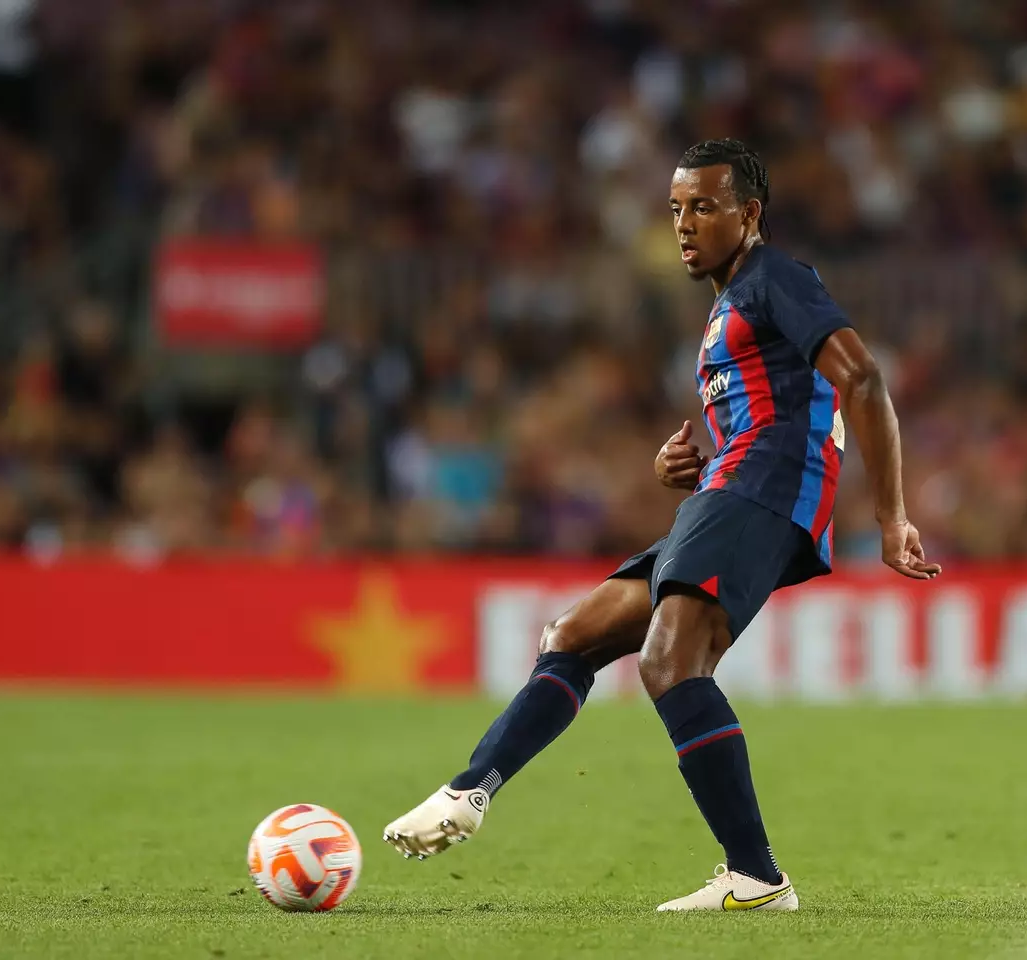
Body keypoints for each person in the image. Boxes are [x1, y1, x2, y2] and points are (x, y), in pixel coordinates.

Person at [382, 139, 941, 911]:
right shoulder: (727, 307)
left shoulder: (776, 277)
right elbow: (776, 406)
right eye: (676, 208)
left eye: (705, 207)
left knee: (671, 664)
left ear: (749, 215)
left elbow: (864, 378)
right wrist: (681, 465)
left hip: (762, 492)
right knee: (572, 635)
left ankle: (756, 875)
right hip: (729, 487)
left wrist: (890, 517)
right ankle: (467, 792)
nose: (685, 223)